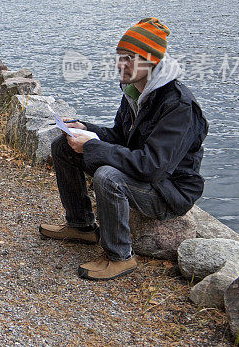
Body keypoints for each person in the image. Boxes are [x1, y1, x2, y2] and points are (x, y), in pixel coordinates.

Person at [40, 17, 208, 281]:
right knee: (63, 146)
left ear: (151, 60)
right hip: (146, 177)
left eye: (130, 58)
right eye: (120, 56)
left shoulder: (179, 106)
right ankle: (81, 225)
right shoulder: (134, 91)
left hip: (169, 191)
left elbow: (152, 167)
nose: (121, 64)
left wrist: (93, 146)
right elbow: (120, 137)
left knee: (108, 176)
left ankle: (120, 256)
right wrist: (85, 128)